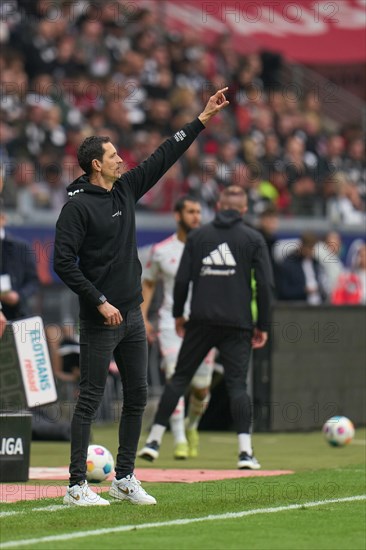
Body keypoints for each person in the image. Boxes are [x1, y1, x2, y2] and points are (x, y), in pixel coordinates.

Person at [53, 87, 230, 507]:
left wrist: (201, 119)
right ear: (97, 165)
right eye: (113, 156)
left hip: (132, 313)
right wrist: (99, 301)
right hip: (101, 318)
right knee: (91, 399)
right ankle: (77, 486)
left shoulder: (125, 189)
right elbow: (63, 262)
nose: (122, 160)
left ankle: (125, 477)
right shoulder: (76, 208)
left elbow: (164, 155)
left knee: (137, 395)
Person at [138, 186, 273, 470]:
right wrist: (262, 325)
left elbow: (183, 280)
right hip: (237, 324)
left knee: (178, 380)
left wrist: (178, 315)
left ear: (219, 205)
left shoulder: (199, 237)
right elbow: (265, 286)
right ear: (244, 209)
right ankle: (245, 452)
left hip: (200, 321)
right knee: (238, 386)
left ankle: (153, 440)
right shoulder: (253, 239)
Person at [138, 196, 214, 461]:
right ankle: (179, 438)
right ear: (177, 215)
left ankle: (192, 426)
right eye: (191, 211)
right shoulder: (161, 251)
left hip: (203, 323)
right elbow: (148, 284)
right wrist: (143, 316)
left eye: (198, 212)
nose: (196, 216)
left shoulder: (210, 249)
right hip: (170, 322)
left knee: (201, 387)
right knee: (174, 377)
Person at [0, 211, 39, 321]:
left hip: (18, 314)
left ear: (3, 218)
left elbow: (33, 281)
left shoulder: (20, 247)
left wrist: (18, 296)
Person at [277, 232, 326, 305]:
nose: (311, 251)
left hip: (319, 306)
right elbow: (284, 291)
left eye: (313, 248)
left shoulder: (316, 263)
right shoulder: (288, 264)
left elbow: (322, 286)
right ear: (301, 246)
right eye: (309, 247)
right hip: (299, 308)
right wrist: (304, 290)